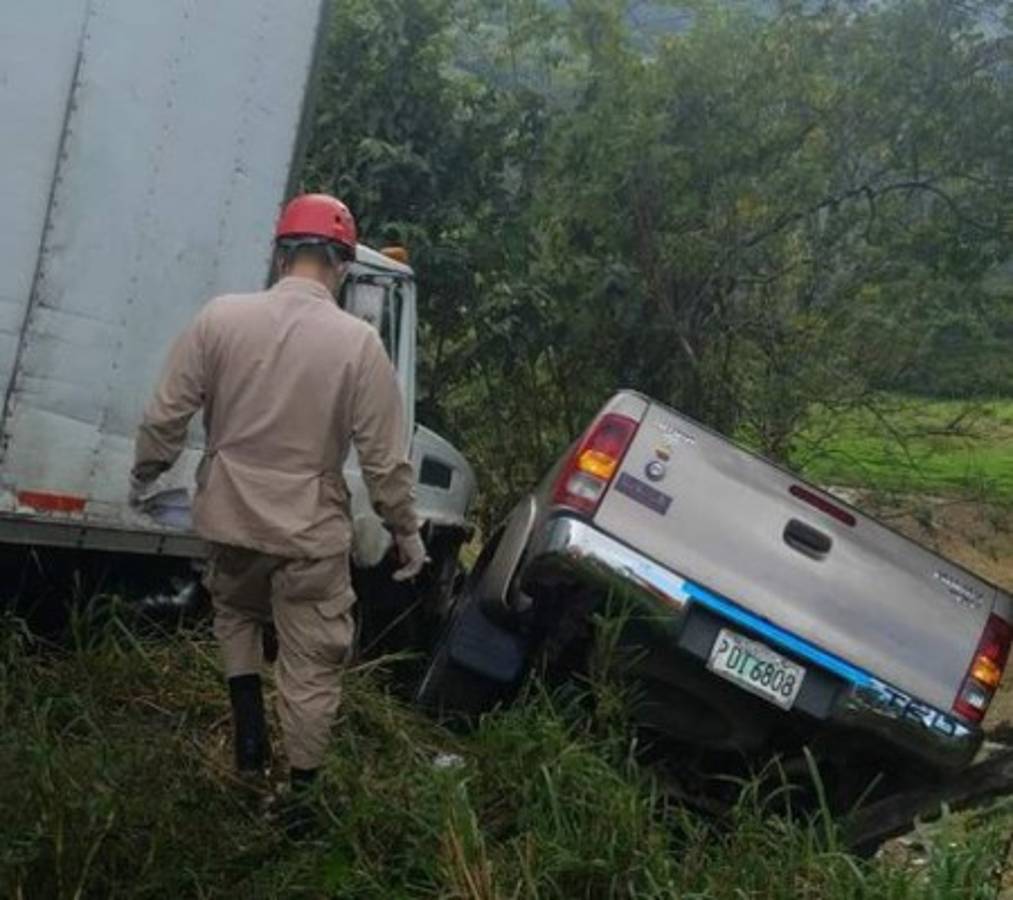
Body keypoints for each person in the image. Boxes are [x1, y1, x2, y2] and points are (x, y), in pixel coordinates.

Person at [130, 193, 426, 833]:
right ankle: (300, 803)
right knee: (311, 662)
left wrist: (146, 473)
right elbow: (385, 464)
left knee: (235, 613)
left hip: (229, 518)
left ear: (282, 252)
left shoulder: (220, 319)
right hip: (308, 535)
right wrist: (407, 533)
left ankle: (248, 743)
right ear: (342, 265)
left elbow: (165, 416)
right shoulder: (359, 345)